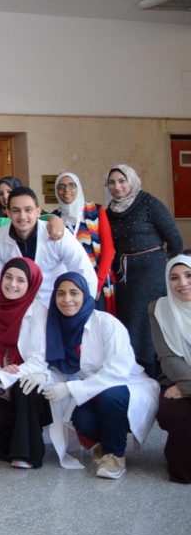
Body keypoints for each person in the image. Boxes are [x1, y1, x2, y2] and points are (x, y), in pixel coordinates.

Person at [41, 273, 160, 479]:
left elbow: (117, 372)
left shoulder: (106, 323)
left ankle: (115, 456)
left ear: (85, 295)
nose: (67, 299)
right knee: (81, 418)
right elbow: (53, 365)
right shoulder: (56, 326)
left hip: (126, 386)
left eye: (74, 293)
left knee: (109, 396)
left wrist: (70, 388)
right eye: (61, 294)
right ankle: (102, 447)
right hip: (92, 390)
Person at [0, 258, 53, 469]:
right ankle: (14, 448)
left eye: (20, 280)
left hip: (34, 384)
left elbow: (38, 361)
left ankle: (28, 455)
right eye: (8, 277)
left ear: (31, 284)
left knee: (25, 386)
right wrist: (0, 373)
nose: (12, 284)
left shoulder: (39, 312)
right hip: (4, 385)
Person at [105, 163, 183, 374]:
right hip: (123, 276)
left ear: (132, 181)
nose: (117, 187)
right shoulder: (109, 211)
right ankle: (133, 370)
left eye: (122, 181)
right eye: (111, 182)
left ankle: (151, 371)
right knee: (126, 321)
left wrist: (161, 266)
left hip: (150, 273)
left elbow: (175, 242)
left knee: (143, 321)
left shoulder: (149, 204)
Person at [0, 188, 97, 307]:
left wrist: (84, 310)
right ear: (8, 213)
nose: (22, 216)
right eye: (16, 210)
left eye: (28, 210)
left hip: (57, 306)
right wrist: (3, 312)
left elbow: (85, 273)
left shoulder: (59, 236)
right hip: (16, 308)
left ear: (38, 211)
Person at [151, 255, 191, 483]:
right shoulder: (160, 309)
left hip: (184, 385)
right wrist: (186, 385)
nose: (182, 283)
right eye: (174, 278)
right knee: (176, 413)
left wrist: (188, 387)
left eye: (188, 275)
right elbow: (168, 357)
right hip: (175, 380)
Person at [53, 172, 115, 314]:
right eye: (61, 186)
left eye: (71, 185)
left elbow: (108, 249)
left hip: (98, 280)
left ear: (78, 188)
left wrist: (98, 284)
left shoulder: (95, 211)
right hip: (69, 285)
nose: (66, 190)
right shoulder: (55, 218)